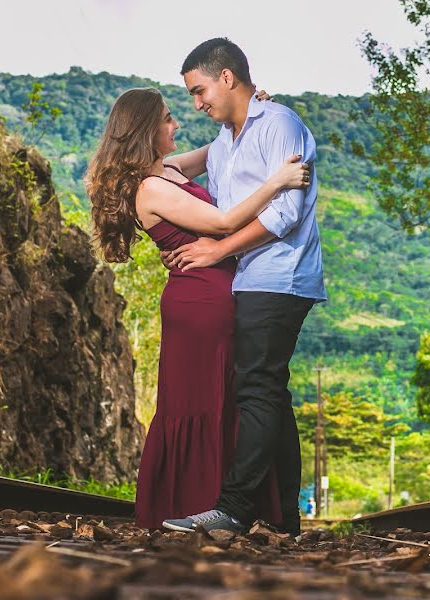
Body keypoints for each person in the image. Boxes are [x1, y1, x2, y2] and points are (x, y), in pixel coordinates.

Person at [85, 86, 310, 529]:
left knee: (228, 398)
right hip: (200, 300)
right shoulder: (149, 189)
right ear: (146, 129)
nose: (177, 124)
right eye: (168, 118)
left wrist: (248, 110)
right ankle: (198, 504)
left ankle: (228, 506)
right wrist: (277, 183)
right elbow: (225, 222)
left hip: (214, 291)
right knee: (204, 401)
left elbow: (218, 149)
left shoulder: (166, 169)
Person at [161, 38, 326, 537]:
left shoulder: (280, 125)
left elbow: (285, 213)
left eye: (199, 90)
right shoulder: (225, 142)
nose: (197, 104)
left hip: (279, 276)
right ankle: (285, 517)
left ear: (227, 77)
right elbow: (167, 172)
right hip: (248, 278)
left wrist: (217, 251)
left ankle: (233, 510)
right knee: (268, 392)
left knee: (254, 389)